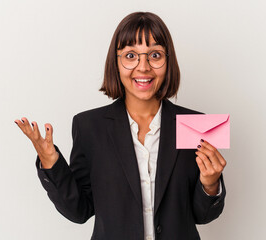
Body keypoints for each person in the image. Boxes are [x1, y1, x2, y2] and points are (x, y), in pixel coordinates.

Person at [15, 11, 227, 240]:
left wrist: (210, 184)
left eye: (155, 55)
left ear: (169, 60)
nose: (143, 67)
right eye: (130, 55)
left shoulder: (196, 126)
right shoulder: (89, 127)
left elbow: (202, 215)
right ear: (115, 62)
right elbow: (79, 211)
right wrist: (51, 162)